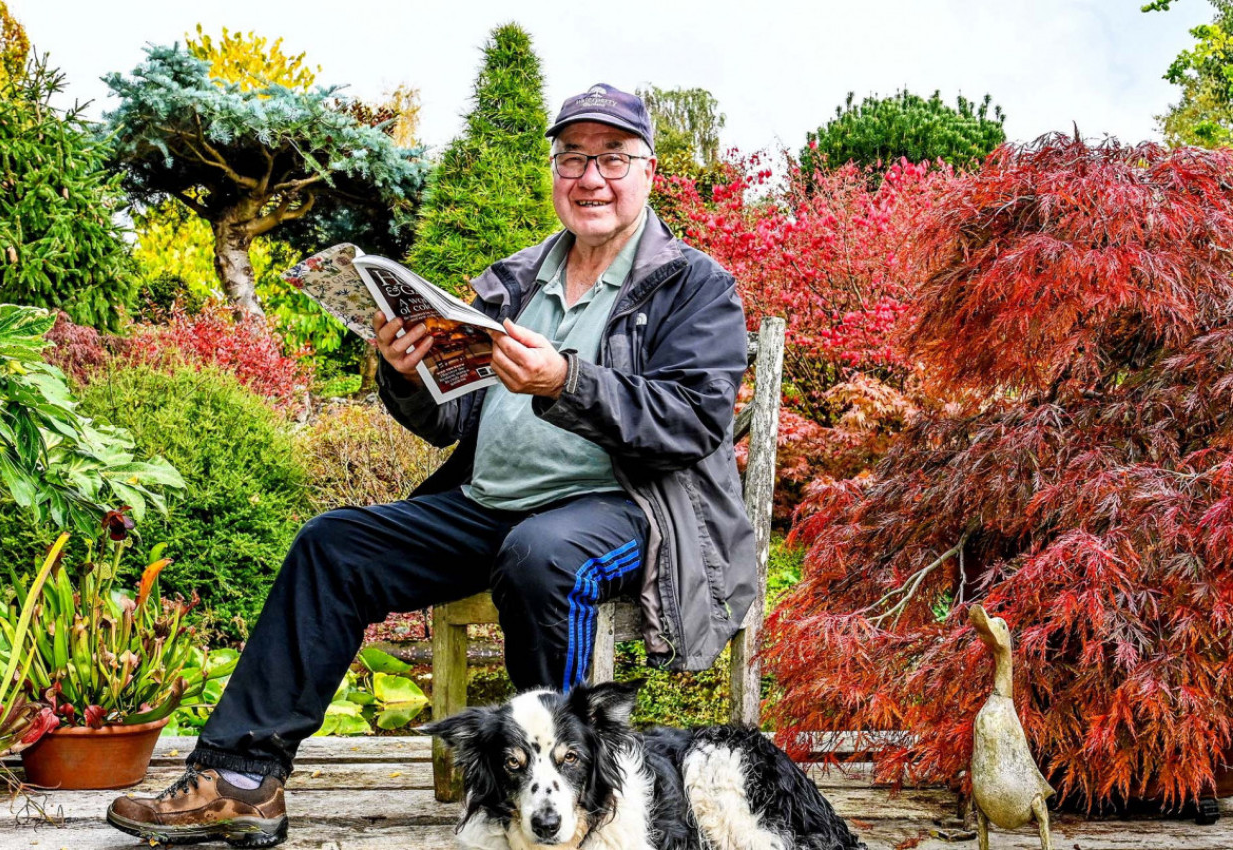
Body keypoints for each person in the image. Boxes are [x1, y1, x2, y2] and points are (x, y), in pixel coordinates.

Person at [105, 83, 758, 849]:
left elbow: (691, 421)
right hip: (489, 503)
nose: (590, 178)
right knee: (333, 544)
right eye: (572, 158)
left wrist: (566, 381)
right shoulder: (515, 280)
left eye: (612, 159)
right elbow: (447, 418)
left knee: (543, 556)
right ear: (553, 173)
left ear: (648, 171)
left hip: (628, 508)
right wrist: (406, 370)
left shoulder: (692, 285)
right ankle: (242, 780)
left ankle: (572, 806)